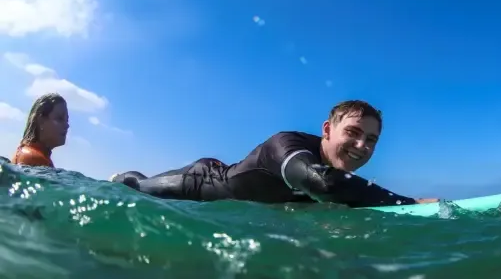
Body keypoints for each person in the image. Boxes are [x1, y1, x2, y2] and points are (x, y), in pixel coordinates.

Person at [111, 99, 433, 208]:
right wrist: (409, 203)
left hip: (242, 189)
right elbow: (324, 185)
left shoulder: (338, 170)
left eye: (372, 140)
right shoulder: (288, 146)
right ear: (327, 130)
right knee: (138, 187)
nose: (362, 146)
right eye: (353, 133)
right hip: (200, 183)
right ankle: (123, 175)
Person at [11, 93, 70, 168]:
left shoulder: (32, 155)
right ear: (41, 121)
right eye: (60, 118)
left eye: (67, 120)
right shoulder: (35, 158)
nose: (67, 125)